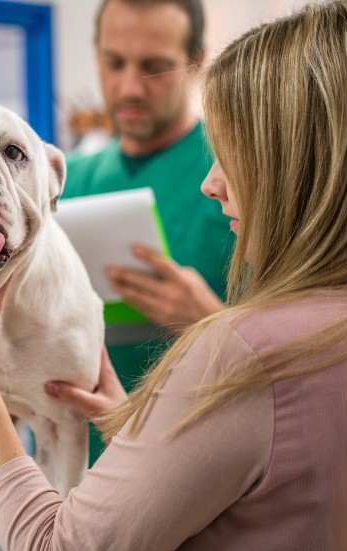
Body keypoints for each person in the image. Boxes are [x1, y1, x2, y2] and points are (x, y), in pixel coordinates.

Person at [0, 0, 347, 551]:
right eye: (112, 61)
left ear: (307, 167)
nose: (211, 182)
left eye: (152, 66)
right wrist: (130, 423)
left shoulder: (246, 346)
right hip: (138, 479)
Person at [58, 0, 233, 465]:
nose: (129, 88)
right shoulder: (60, 181)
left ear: (196, 62)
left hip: (194, 473)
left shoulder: (237, 177)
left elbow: (299, 361)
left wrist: (210, 325)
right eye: (114, 63)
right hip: (67, 472)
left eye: (155, 68)